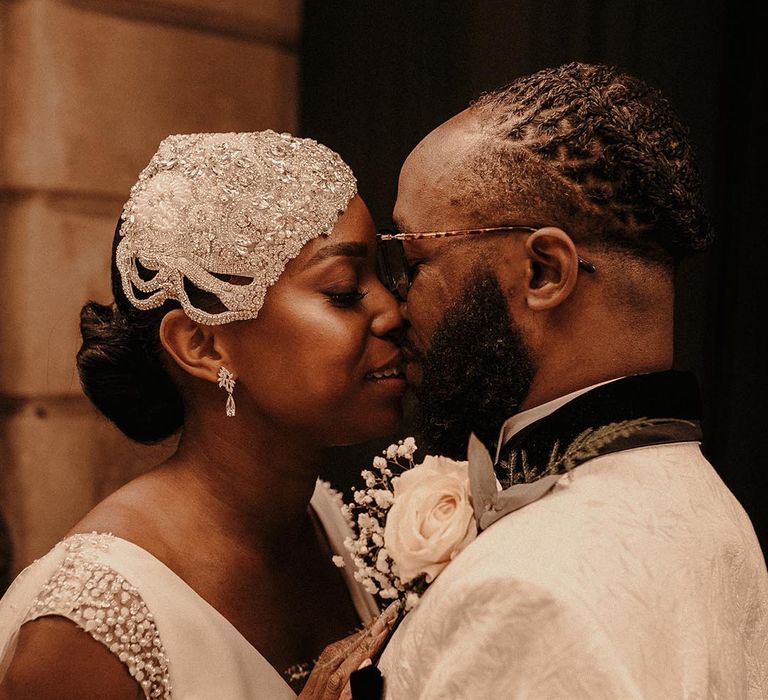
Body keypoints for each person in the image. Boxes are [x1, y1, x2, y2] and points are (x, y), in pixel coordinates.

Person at [375, 63, 768, 697]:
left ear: (544, 272)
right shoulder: (713, 512)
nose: (394, 307)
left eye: (413, 260)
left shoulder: (527, 589)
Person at [0, 131, 403, 699]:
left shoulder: (321, 516)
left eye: (383, 276)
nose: (392, 311)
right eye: (342, 291)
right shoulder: (87, 628)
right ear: (203, 346)